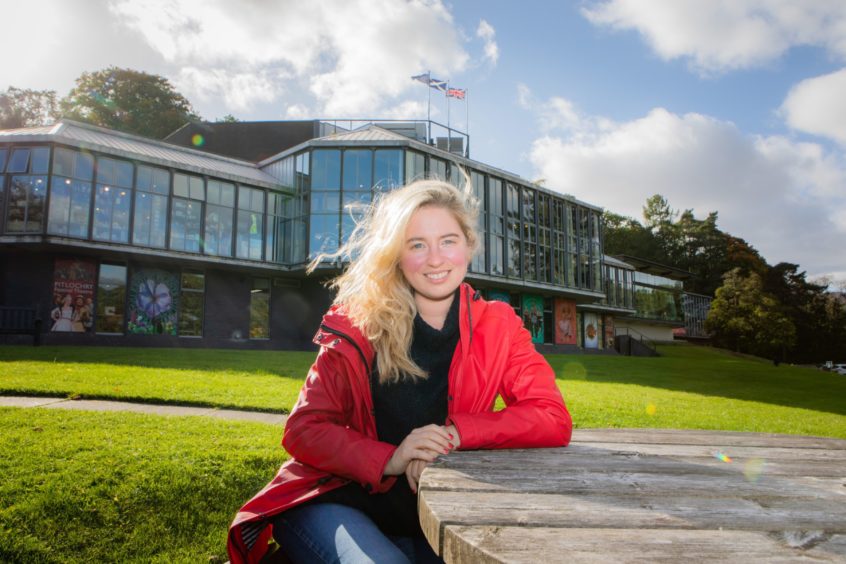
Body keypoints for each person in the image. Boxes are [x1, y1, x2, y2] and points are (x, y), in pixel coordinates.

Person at [227, 179, 572, 564]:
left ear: (469, 245)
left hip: (435, 512)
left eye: (448, 241)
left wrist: (452, 435)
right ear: (397, 255)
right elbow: (303, 430)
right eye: (417, 245)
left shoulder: (499, 325)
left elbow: (551, 416)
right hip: (334, 499)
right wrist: (392, 458)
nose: (435, 259)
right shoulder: (358, 324)